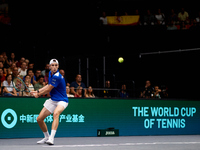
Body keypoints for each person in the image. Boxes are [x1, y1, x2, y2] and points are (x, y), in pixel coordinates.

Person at [30, 59, 68, 145]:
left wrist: (38, 94)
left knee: (56, 114)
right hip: (53, 100)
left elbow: (48, 89)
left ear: (58, 66)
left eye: (56, 65)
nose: (54, 67)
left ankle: (51, 138)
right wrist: (37, 91)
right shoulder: (51, 74)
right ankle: (46, 137)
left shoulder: (57, 76)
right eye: (53, 65)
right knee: (39, 119)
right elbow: (48, 85)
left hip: (62, 101)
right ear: (49, 66)